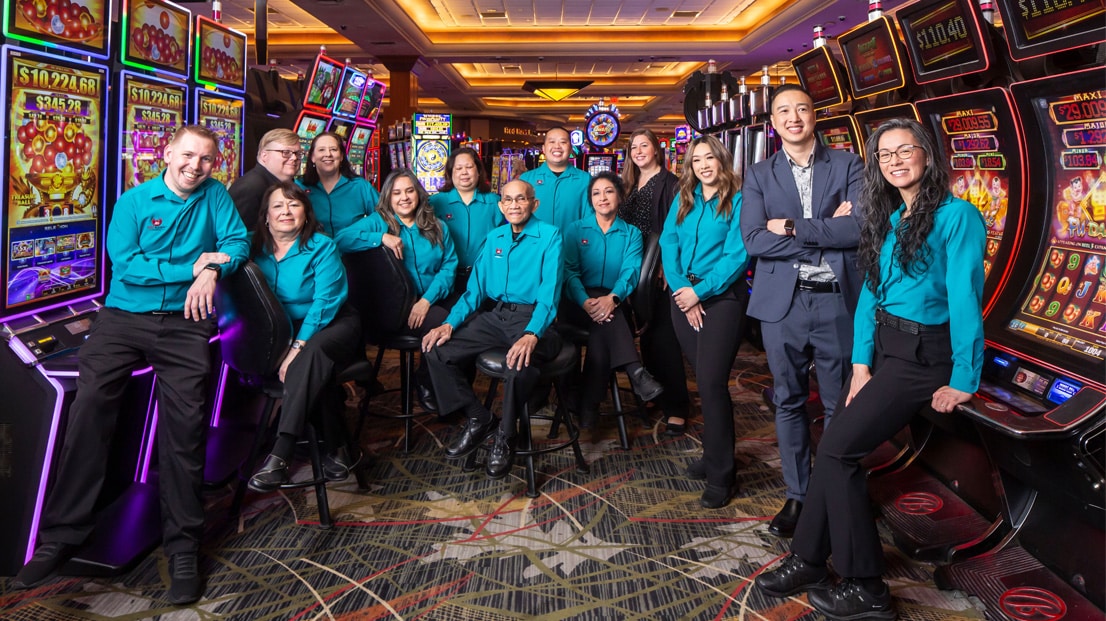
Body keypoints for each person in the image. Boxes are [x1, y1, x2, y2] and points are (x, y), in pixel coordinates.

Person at [755, 118, 985, 620]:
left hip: (926, 357)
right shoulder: (892, 216)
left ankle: (867, 588)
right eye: (884, 155)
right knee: (835, 444)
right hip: (886, 350)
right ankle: (809, 558)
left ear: (928, 156)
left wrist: (965, 378)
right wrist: (860, 366)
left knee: (837, 452)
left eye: (906, 151)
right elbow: (870, 299)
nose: (895, 161)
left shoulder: (958, 216)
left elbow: (967, 299)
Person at [11, 126, 250, 605]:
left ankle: (183, 544)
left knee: (184, 431)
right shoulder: (135, 200)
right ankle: (62, 534)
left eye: (205, 159)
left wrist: (216, 266)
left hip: (186, 322)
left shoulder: (216, 195)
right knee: (90, 412)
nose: (195, 166)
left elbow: (239, 243)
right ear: (167, 154)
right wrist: (196, 268)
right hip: (123, 318)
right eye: (188, 155)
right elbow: (127, 265)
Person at [739, 84, 865, 537]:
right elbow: (753, 239)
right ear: (772, 123)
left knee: (839, 405)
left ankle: (835, 492)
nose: (794, 117)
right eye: (784, 112)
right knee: (788, 400)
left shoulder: (849, 164)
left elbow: (860, 229)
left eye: (802, 109)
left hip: (837, 301)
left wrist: (790, 227)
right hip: (783, 304)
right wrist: (827, 227)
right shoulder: (758, 174)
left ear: (816, 116)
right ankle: (798, 494)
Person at [421, 179, 564, 479]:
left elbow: (549, 296)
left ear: (534, 204)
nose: (514, 205)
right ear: (500, 206)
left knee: (518, 363)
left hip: (534, 318)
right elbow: (474, 292)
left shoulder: (551, 236)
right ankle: (479, 418)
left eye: (521, 199)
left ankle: (506, 435)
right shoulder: (495, 237)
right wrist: (449, 323)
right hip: (496, 316)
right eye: (508, 200)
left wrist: (531, 334)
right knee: (436, 350)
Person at [246, 182, 364, 492]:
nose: (286, 211)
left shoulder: (322, 246)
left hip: (333, 324)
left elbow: (325, 303)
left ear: (306, 212)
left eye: (294, 205)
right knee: (317, 369)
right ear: (266, 216)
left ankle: (280, 453)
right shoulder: (251, 247)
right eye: (278, 206)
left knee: (313, 353)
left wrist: (297, 346)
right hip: (285, 330)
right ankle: (337, 448)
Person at [659, 135, 749, 509]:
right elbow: (668, 243)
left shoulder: (740, 198)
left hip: (723, 299)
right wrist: (683, 292)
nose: (704, 165)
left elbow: (738, 255)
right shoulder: (685, 198)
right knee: (703, 381)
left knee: (712, 384)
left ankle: (722, 474)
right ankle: (714, 454)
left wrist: (702, 293)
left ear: (722, 160)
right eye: (697, 160)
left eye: (710, 158)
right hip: (683, 298)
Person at [343, 170, 459, 411]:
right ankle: (436, 389)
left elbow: (449, 267)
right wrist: (380, 237)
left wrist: (426, 300)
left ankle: (429, 378)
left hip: (428, 302)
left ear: (418, 193)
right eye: (396, 192)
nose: (404, 197)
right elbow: (340, 240)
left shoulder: (437, 226)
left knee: (466, 318)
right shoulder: (378, 221)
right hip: (392, 310)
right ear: (388, 197)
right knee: (443, 324)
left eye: (409, 191)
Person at [560, 171, 664, 430]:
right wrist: (585, 301)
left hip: (615, 302)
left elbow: (630, 271)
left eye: (608, 191)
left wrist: (613, 298)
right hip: (577, 303)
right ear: (590, 200)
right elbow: (569, 273)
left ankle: (588, 407)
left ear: (619, 197)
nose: (602, 197)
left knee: (603, 329)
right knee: (607, 317)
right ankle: (635, 371)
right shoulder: (575, 230)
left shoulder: (631, 233)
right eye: (596, 193)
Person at [619, 128, 691, 435]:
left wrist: (666, 265)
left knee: (664, 338)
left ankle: (677, 406)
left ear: (657, 149)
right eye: (633, 147)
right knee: (645, 337)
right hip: (633, 268)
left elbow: (680, 229)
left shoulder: (671, 182)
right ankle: (654, 393)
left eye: (644, 145)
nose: (638, 151)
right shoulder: (629, 183)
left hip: (658, 268)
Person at [429, 147, 502, 296]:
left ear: (478, 171)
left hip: (484, 279)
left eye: (469, 167)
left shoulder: (495, 202)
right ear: (450, 173)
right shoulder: (435, 203)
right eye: (458, 168)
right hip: (447, 278)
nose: (464, 172)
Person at [298, 131, 381, 248]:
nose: (328, 154)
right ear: (312, 157)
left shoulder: (360, 186)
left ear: (341, 156)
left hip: (356, 257)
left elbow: (384, 216)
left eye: (333, 149)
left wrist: (376, 237)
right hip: (316, 259)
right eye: (321, 150)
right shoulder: (300, 187)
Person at [230, 128, 303, 231]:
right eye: (286, 152)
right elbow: (239, 236)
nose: (294, 158)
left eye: (298, 153)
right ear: (264, 155)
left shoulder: (286, 184)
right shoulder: (251, 187)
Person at [520, 127, 591, 230]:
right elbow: (519, 217)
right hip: (536, 245)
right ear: (544, 148)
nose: (557, 146)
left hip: (572, 244)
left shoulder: (585, 180)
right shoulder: (526, 179)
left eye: (563, 142)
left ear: (570, 148)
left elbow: (590, 219)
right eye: (552, 142)